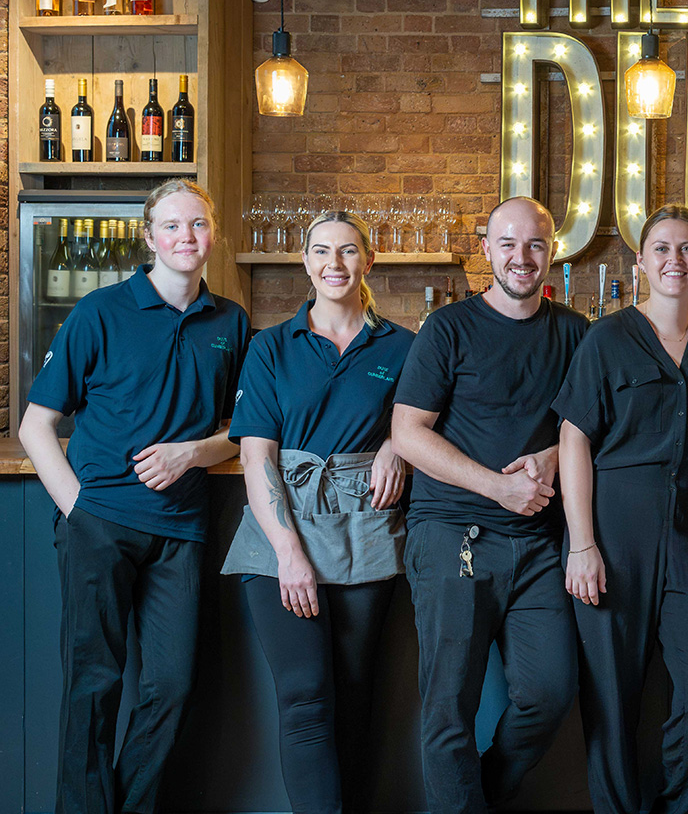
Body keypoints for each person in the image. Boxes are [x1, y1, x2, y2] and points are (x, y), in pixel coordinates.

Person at [18, 179, 249, 814]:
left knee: (171, 687)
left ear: (213, 235)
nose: (186, 237)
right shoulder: (98, 312)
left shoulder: (230, 320)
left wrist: (192, 453)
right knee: (94, 685)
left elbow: (242, 432)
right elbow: (35, 426)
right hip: (101, 525)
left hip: (182, 528)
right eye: (172, 227)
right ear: (148, 238)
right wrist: (79, 509)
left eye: (198, 225)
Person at [390, 196, 588, 814]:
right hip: (454, 533)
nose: (521, 257)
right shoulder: (447, 328)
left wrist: (551, 460)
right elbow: (408, 432)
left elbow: (590, 427)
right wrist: (496, 486)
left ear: (551, 251)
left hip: (536, 544)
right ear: (486, 251)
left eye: (534, 245)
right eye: (507, 244)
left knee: (549, 692)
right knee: (449, 705)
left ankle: (476, 796)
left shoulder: (577, 332)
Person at [220, 211, 414, 814]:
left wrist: (394, 445)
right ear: (305, 263)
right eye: (321, 252)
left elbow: (427, 423)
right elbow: (256, 457)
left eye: (349, 251)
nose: (335, 263)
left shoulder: (405, 346)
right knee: (305, 696)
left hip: (367, 529)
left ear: (368, 262)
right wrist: (288, 556)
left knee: (354, 697)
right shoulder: (270, 346)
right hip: (280, 534)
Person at [553, 205, 688, 814]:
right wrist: (582, 544)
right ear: (640, 262)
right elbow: (573, 440)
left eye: (687, 249)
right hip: (614, 532)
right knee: (611, 695)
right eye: (660, 249)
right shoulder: (606, 337)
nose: (674, 261)